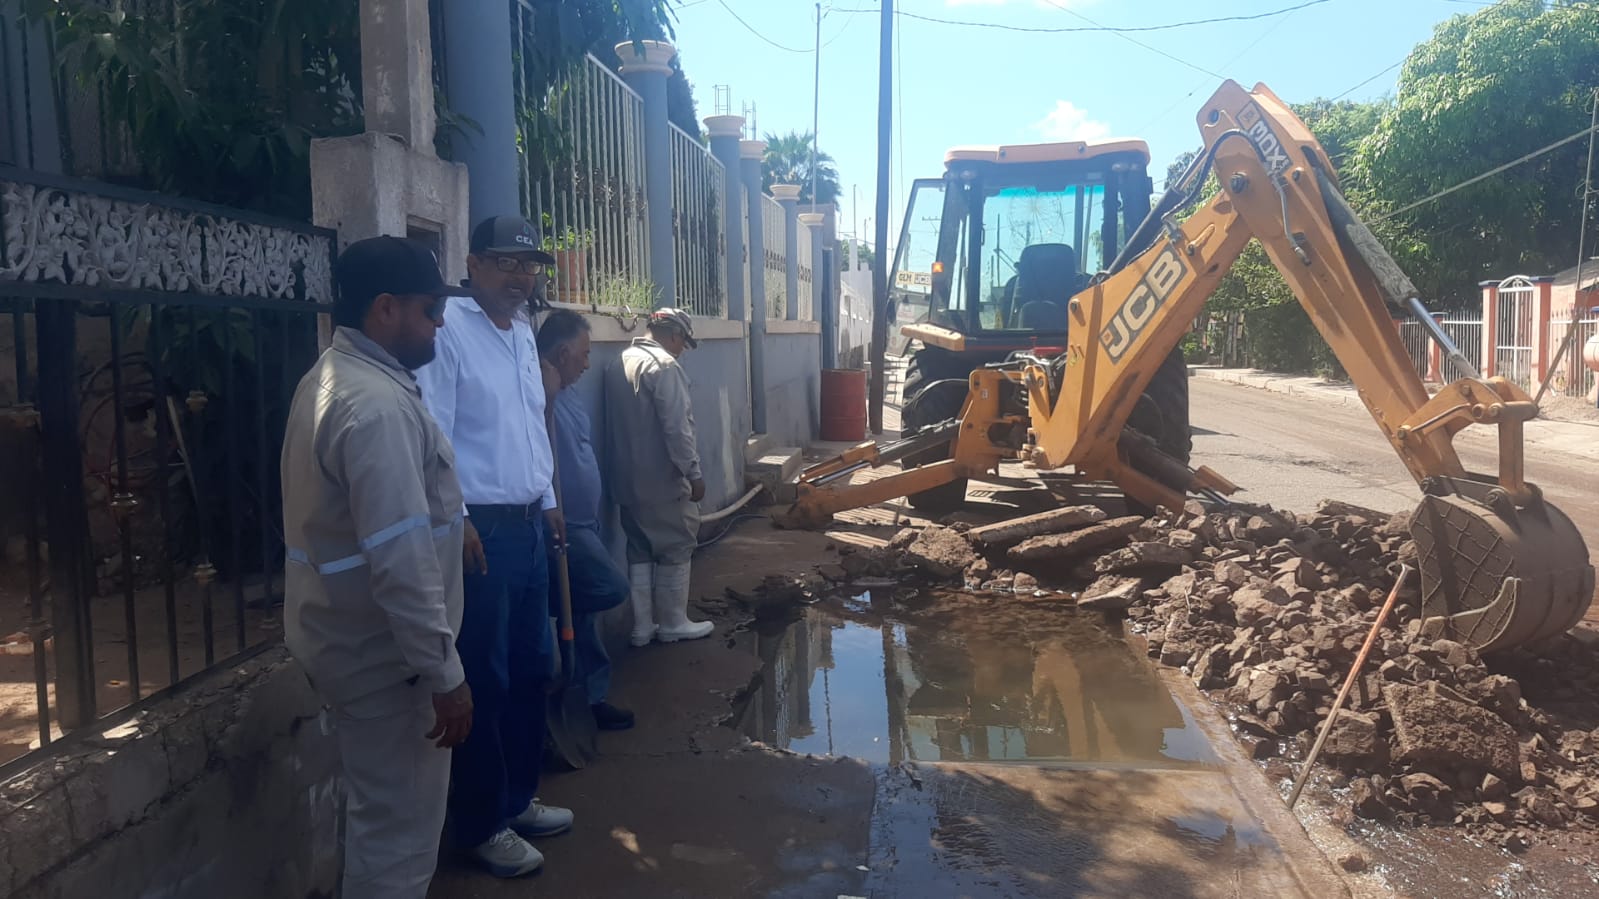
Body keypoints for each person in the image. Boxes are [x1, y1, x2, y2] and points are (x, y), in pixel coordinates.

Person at [280, 236, 472, 899]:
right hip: (388, 661)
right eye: (430, 309)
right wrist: (444, 672)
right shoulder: (375, 407)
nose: (440, 323)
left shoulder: (336, 380)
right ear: (385, 309)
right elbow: (399, 558)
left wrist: (461, 528)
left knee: (379, 820)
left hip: (350, 643)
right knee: (398, 839)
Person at [414, 215, 572, 878]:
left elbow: (531, 428)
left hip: (531, 523)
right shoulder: (450, 328)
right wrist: (458, 518)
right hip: (482, 531)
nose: (521, 276)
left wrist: (551, 499)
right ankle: (480, 824)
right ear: (473, 263)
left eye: (530, 264)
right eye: (506, 262)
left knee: (532, 668)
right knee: (487, 673)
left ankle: (515, 799)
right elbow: (432, 433)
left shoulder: (521, 332)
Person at [536, 309, 635, 731]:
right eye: (583, 354)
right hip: (563, 526)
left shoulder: (569, 387)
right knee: (610, 588)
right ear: (561, 353)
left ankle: (590, 696)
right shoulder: (539, 388)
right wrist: (547, 395)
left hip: (584, 521)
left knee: (585, 621)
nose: (588, 363)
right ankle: (556, 617)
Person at [602, 308, 714, 646]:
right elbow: (677, 429)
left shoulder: (617, 363)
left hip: (625, 482)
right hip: (662, 482)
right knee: (676, 546)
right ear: (676, 336)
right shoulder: (664, 367)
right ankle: (673, 623)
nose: (682, 350)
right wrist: (693, 473)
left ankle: (642, 627)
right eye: (683, 343)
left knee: (639, 550)